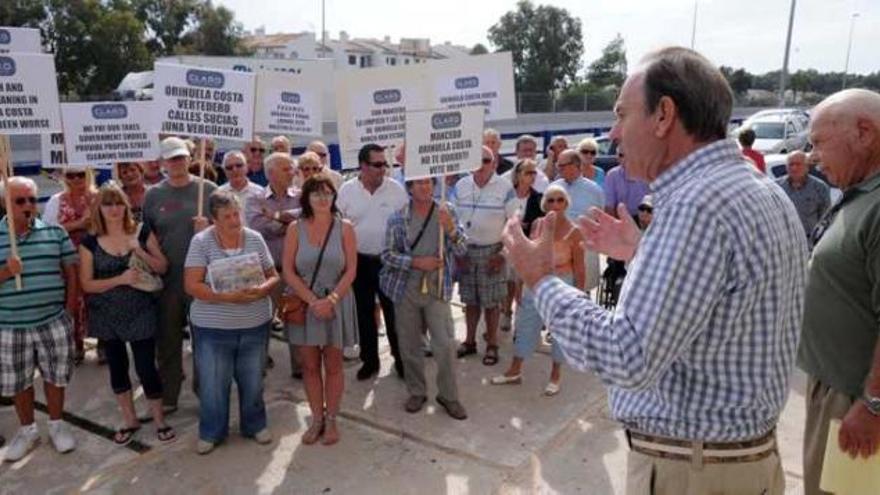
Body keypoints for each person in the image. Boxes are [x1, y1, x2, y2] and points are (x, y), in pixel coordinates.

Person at [502, 47, 807, 494]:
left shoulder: (695, 205)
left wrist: (542, 280)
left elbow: (627, 355)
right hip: (734, 462)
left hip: (693, 470)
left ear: (664, 115)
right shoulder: (754, 187)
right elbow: (725, 303)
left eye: (622, 114)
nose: (612, 132)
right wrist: (643, 250)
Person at [796, 89, 880, 495]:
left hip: (857, 400)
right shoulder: (861, 193)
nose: (812, 156)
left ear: (864, 132)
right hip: (839, 390)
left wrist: (874, 405)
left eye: (818, 142)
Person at [78, 183, 175, 446]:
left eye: (118, 202)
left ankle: (159, 420)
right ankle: (130, 419)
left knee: (146, 367)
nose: (114, 209)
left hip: (141, 310)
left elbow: (163, 266)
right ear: (99, 207)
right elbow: (86, 284)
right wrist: (120, 279)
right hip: (107, 314)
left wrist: (139, 250)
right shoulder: (90, 242)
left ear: (126, 205)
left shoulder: (141, 231)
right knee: (118, 367)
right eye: (107, 203)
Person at [184, 191, 279, 455]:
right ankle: (212, 431)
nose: (235, 220)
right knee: (213, 382)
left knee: (253, 379)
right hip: (213, 328)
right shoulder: (201, 242)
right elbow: (191, 285)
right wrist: (225, 297)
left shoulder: (255, 238)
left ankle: (254, 425)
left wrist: (264, 289)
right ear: (214, 219)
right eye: (227, 216)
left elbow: (273, 275)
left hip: (255, 323)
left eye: (236, 214)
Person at [0, 177, 78, 461]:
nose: (28, 206)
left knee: (56, 377)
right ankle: (27, 430)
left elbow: (71, 271)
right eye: (20, 201)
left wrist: (69, 311)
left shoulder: (55, 232)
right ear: (5, 203)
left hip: (52, 319)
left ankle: (57, 426)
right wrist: (6, 272)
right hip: (10, 324)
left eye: (32, 200)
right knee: (19, 381)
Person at [380, 177, 469, 420]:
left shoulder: (446, 210)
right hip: (406, 288)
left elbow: (462, 248)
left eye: (428, 183)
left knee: (446, 344)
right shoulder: (397, 218)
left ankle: (449, 396)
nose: (425, 187)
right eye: (418, 183)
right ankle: (416, 391)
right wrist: (416, 262)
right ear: (409, 188)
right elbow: (387, 255)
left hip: (437, 287)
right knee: (409, 345)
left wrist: (450, 228)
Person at [283, 174, 358, 445]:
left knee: (334, 365)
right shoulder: (295, 228)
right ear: (307, 198)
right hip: (306, 305)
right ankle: (316, 418)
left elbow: (351, 269)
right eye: (316, 193)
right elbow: (288, 271)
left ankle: (333, 419)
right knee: (311, 366)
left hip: (337, 303)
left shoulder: (345, 228)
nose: (322, 198)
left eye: (327, 193)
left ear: (334, 196)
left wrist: (332, 300)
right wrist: (313, 301)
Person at [142, 136, 215, 413]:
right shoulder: (153, 196)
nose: (177, 162)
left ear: (189, 158)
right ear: (162, 162)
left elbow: (231, 229)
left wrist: (207, 230)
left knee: (204, 338)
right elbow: (145, 235)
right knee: (168, 339)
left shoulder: (208, 190)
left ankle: (205, 390)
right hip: (168, 280)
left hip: (202, 278)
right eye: (171, 158)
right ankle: (170, 391)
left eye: (181, 157)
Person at [492, 185, 584, 396]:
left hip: (563, 285)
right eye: (550, 200)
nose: (555, 204)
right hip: (534, 282)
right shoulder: (537, 224)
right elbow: (527, 256)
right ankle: (515, 371)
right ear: (544, 204)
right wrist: (519, 285)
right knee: (525, 323)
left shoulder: (575, 231)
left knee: (559, 331)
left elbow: (580, 268)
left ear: (566, 203)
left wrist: (578, 298)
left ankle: (555, 375)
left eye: (560, 200)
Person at [337, 143, 408, 380]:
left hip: (389, 261)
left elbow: (408, 226)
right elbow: (338, 226)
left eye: (385, 164)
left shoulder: (397, 190)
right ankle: (370, 361)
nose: (383, 169)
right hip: (358, 261)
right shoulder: (346, 191)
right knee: (364, 314)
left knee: (394, 314)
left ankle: (401, 359)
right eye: (377, 164)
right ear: (363, 166)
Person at [455, 146, 518, 366]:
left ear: (495, 162)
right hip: (465, 251)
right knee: (470, 301)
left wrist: (503, 254)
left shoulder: (505, 187)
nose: (480, 165)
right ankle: (470, 341)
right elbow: (452, 220)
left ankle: (492, 344)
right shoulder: (461, 185)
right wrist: (457, 251)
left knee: (492, 304)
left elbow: (514, 225)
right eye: (476, 160)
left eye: (485, 160)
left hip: (493, 252)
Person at [246, 152, 301, 374]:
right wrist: (288, 224)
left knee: (295, 318)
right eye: (287, 169)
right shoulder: (255, 199)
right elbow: (258, 229)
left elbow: (306, 217)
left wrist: (276, 216)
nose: (293, 172)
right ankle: (258, 364)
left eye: (292, 168)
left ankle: (299, 366)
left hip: (294, 271)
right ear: (271, 173)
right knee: (262, 320)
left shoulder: (300, 195)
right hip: (266, 272)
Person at [43, 168, 97, 364]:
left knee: (98, 300)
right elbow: (48, 229)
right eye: (70, 175)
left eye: (80, 174)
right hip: (68, 260)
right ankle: (77, 344)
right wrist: (78, 224)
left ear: (88, 175)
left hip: (96, 257)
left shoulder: (99, 197)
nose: (75, 179)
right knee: (73, 300)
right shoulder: (56, 200)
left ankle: (105, 343)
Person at [552, 149, 604, 292]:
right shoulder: (554, 187)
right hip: (559, 251)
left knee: (582, 291)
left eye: (562, 165)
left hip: (584, 246)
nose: (558, 169)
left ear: (575, 165)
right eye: (558, 165)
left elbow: (601, 218)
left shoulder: (594, 190)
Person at [775, 150, 830, 241]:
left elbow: (826, 219)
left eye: (798, 164)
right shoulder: (776, 187)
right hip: (783, 240)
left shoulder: (820, 188)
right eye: (791, 164)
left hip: (809, 241)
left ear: (807, 167)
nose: (794, 168)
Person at [218, 151, 264, 225]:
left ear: (247, 167)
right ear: (224, 171)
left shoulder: (259, 192)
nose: (234, 170)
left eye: (239, 165)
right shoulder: (219, 193)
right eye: (229, 167)